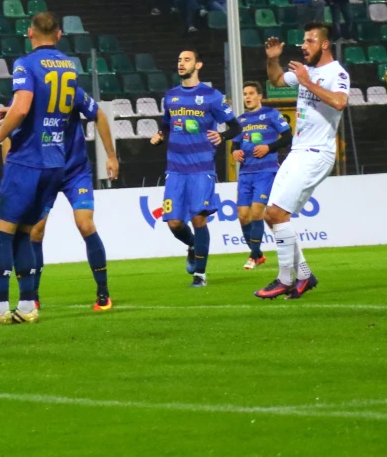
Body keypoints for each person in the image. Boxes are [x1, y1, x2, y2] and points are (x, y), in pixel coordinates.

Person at [0, 12, 78, 326]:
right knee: (24, 234)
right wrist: (16, 109)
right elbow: (50, 105)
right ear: (58, 35)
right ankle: (27, 305)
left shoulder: (25, 64)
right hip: (55, 162)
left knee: (2, 233)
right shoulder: (69, 65)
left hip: (27, 160)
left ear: (30, 33)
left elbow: (22, 108)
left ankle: (0, 309)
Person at [0, 71, 119, 311]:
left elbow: (99, 115)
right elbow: (8, 133)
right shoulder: (23, 99)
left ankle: (103, 292)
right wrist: (11, 169)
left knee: (85, 224)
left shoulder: (71, 94)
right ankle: (33, 296)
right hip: (44, 170)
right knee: (35, 231)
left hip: (75, 171)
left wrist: (111, 156)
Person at [258, 26, 349, 299]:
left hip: (317, 153)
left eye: (310, 40)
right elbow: (276, 80)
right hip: (298, 151)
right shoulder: (304, 71)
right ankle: (304, 275)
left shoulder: (337, 73)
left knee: (277, 214)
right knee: (271, 216)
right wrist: (273, 59)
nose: (304, 45)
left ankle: (285, 279)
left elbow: (340, 102)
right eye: (303, 40)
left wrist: (307, 82)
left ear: (325, 44)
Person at [149, 49, 241, 287]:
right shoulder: (171, 96)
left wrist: (222, 136)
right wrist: (160, 135)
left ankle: (200, 274)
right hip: (175, 169)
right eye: (179, 59)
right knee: (174, 223)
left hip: (201, 168)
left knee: (199, 219)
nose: (181, 63)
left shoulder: (212, 96)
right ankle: (192, 245)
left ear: (198, 65)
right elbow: (166, 125)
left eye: (187, 60)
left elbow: (236, 127)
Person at [231, 81, 292, 270]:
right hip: (245, 172)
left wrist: (268, 147)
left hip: (265, 171)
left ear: (260, 96)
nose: (247, 97)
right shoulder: (240, 120)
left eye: (251, 93)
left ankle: (252, 257)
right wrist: (235, 152)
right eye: (245, 94)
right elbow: (235, 145)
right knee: (243, 216)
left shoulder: (271, 114)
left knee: (257, 212)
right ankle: (258, 255)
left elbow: (288, 137)